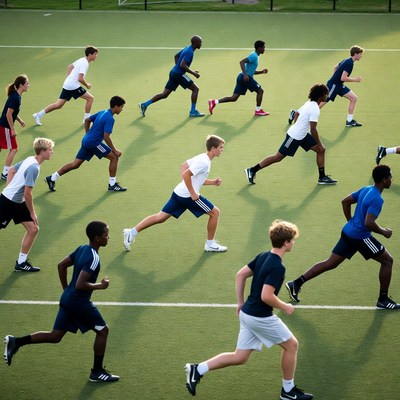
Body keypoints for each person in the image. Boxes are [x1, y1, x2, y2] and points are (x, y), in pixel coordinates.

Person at [184, 220, 313, 400]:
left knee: (240, 357)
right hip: (260, 317)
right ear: (286, 243)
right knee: (292, 345)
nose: (294, 242)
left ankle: (198, 369)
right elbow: (266, 296)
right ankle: (288, 392)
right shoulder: (278, 267)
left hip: (247, 315)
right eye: (293, 240)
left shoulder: (262, 256)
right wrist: (285, 306)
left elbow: (241, 274)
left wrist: (240, 303)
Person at [3, 221, 120, 383]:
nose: (109, 237)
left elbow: (61, 265)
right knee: (103, 331)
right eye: (106, 235)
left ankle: (16, 342)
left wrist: (66, 290)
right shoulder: (94, 258)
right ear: (97, 238)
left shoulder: (81, 248)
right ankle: (97, 372)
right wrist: (101, 286)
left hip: (68, 299)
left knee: (55, 336)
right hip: (79, 303)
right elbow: (80, 284)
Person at [286, 165, 400, 310]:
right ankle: (383, 299)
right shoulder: (377, 198)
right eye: (390, 177)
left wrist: (350, 221)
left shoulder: (366, 189)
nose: (391, 180)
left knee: (331, 263)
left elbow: (345, 201)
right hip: (360, 237)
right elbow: (368, 222)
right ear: (384, 180)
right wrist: (384, 232)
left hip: (348, 232)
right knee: (388, 261)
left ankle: (296, 283)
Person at [123, 135, 227, 253]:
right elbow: (186, 174)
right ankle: (210, 244)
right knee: (215, 213)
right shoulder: (204, 162)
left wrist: (212, 182)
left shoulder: (202, 157)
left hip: (179, 192)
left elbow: (184, 166)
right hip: (188, 196)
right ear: (213, 148)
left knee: (160, 217)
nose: (222, 150)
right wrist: (192, 192)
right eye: (221, 147)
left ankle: (131, 232)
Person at [245, 84, 337, 186]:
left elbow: (297, 113)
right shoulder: (315, 108)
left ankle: (322, 177)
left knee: (321, 150)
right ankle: (252, 170)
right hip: (294, 136)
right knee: (278, 157)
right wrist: (319, 143)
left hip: (302, 135)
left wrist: (296, 125)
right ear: (320, 96)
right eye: (326, 94)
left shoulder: (309, 103)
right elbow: (313, 129)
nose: (327, 96)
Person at [44, 95, 127, 193]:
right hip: (93, 143)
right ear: (116, 106)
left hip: (86, 140)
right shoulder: (110, 119)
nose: (122, 109)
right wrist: (115, 150)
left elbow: (87, 120)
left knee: (75, 164)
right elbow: (106, 137)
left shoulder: (102, 112)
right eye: (121, 107)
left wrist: (87, 134)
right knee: (114, 157)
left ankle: (52, 178)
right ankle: (112, 185)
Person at [0, 137, 54, 272]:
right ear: (42, 152)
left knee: (33, 229)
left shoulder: (31, 159)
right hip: (8, 202)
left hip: (17, 201)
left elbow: (11, 170)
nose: (52, 152)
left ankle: (21, 262)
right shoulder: (34, 168)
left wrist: (9, 188)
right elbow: (27, 193)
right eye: (50, 150)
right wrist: (32, 212)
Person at [288, 45, 363, 127]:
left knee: (354, 98)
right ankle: (295, 113)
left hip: (338, 85)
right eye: (360, 54)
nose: (361, 56)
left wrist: (335, 78)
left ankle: (349, 121)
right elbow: (343, 78)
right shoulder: (349, 63)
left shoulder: (346, 60)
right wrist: (355, 80)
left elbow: (335, 67)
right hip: (334, 86)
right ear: (355, 54)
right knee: (317, 105)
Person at [138, 35, 204, 118]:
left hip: (174, 72)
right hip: (179, 75)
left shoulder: (187, 48)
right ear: (195, 43)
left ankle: (144, 104)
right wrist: (193, 73)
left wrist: (178, 69)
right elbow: (182, 65)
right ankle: (193, 111)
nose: (201, 43)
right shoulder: (190, 52)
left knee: (164, 94)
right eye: (200, 42)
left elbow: (176, 56)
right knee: (195, 89)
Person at [32, 46, 99, 126]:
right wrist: (87, 85)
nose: (96, 56)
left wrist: (68, 78)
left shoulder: (81, 59)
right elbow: (80, 78)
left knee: (58, 105)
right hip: (73, 86)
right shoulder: (84, 63)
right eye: (95, 54)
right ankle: (86, 120)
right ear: (90, 54)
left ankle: (38, 115)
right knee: (90, 98)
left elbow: (70, 66)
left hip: (68, 84)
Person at [208, 40, 269, 117]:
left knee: (234, 98)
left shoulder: (255, 56)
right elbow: (242, 62)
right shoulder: (253, 56)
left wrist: (261, 72)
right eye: (263, 47)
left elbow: (251, 71)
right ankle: (258, 110)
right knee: (260, 91)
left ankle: (214, 102)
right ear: (259, 48)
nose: (264, 49)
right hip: (245, 78)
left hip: (242, 77)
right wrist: (245, 75)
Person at [0, 75, 30, 181]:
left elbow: (12, 113)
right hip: (5, 127)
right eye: (27, 83)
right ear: (21, 85)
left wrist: (19, 120)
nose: (28, 85)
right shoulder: (15, 98)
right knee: (14, 149)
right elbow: (9, 114)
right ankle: (5, 173)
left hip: (2, 125)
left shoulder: (15, 96)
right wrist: (12, 128)